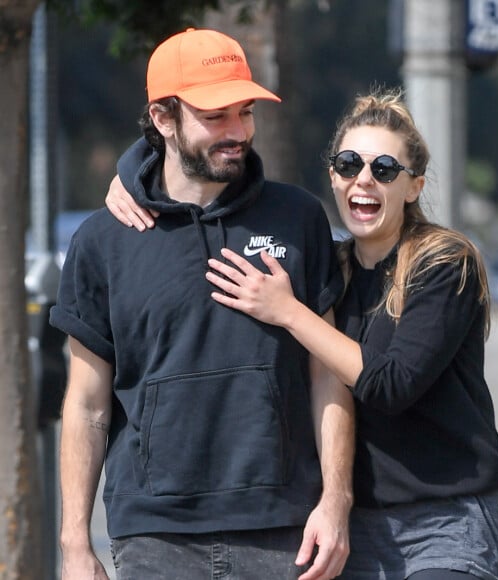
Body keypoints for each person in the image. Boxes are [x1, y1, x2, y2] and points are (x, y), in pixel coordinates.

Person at [106, 86, 498, 579]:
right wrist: (133, 176)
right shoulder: (330, 265)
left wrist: (289, 311)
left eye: (384, 170)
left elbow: (390, 385)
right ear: (333, 176)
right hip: (354, 524)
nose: (363, 180)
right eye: (349, 165)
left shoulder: (444, 263)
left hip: (446, 520)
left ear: (413, 186)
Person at [50, 28, 355, 580]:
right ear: (164, 119)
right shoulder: (103, 241)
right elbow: (87, 404)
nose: (238, 131)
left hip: (285, 530)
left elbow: (326, 375)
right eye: (216, 116)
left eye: (245, 112)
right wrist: (74, 543)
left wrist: (336, 501)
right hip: (153, 535)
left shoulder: (299, 218)